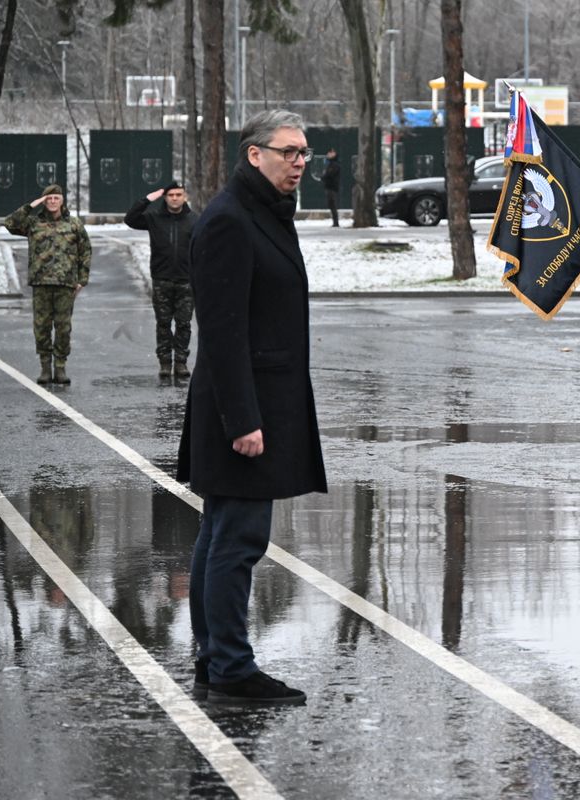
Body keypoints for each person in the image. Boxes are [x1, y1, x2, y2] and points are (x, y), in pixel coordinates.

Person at [177, 109, 328, 705]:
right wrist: (242, 421)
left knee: (221, 534)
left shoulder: (261, 212)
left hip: (259, 404)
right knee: (236, 540)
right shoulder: (230, 222)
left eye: (304, 153)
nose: (299, 163)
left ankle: (215, 660)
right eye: (288, 151)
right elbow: (221, 331)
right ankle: (233, 670)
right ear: (254, 154)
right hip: (242, 411)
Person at [3, 184, 91, 386]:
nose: (52, 202)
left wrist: (82, 280)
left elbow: (85, 251)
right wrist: (31, 205)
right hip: (41, 283)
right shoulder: (34, 223)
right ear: (44, 201)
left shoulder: (74, 224)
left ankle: (60, 366)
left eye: (56, 198)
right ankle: (45, 367)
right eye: (48, 199)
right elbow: (9, 223)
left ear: (62, 200)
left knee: (63, 328)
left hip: (65, 284)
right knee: (41, 327)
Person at [124, 180, 199, 378]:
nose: (175, 198)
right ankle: (165, 363)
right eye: (171, 195)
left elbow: (204, 248)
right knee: (163, 323)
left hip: (186, 280)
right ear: (165, 198)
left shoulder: (194, 220)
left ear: (184, 197)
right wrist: (148, 199)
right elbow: (130, 219)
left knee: (184, 324)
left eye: (178, 195)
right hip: (162, 279)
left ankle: (181, 362)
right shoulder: (154, 218)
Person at [322, 148, 340, 227]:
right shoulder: (330, 164)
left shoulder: (335, 165)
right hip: (329, 186)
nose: (328, 154)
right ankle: (335, 221)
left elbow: (330, 174)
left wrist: (324, 176)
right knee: (331, 204)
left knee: (333, 204)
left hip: (332, 187)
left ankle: (336, 222)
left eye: (331, 152)